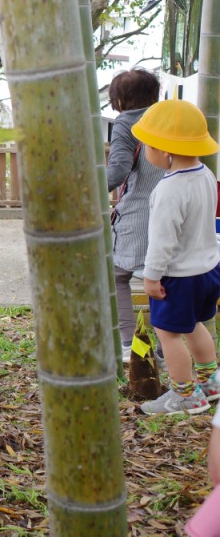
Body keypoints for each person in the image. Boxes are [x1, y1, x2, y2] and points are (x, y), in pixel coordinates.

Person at [133, 100, 220, 415]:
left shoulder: (169, 189)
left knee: (168, 334)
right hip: (207, 269)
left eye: (148, 145)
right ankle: (211, 382)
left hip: (178, 277)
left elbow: (162, 241)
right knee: (195, 325)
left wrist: (151, 277)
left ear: (165, 151)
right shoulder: (206, 174)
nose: (146, 150)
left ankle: (185, 395)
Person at [106, 69, 162, 359]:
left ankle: (131, 345)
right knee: (163, 281)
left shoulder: (127, 122)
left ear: (119, 100)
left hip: (139, 213)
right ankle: (164, 351)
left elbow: (118, 170)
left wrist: (84, 190)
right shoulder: (167, 117)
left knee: (117, 276)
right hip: (172, 211)